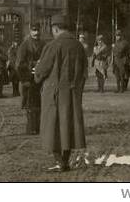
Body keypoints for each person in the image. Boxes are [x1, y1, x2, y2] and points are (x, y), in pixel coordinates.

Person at [34, 14, 87, 173]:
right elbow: (84, 71)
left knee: (53, 126)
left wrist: (37, 73)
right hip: (73, 93)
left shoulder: (53, 45)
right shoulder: (79, 46)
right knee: (69, 126)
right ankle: (65, 161)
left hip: (54, 92)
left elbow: (42, 70)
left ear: (55, 28)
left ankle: (60, 162)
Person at [16, 23, 45, 134]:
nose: (36, 32)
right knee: (30, 104)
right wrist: (24, 80)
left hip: (41, 78)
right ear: (30, 31)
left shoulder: (44, 44)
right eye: (34, 30)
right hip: (29, 79)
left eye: (38, 30)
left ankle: (38, 127)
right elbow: (19, 64)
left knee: (40, 104)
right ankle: (31, 128)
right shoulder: (25, 45)